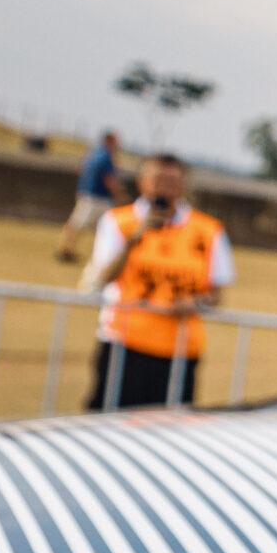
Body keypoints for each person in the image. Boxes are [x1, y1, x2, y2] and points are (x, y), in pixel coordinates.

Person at [80, 154, 231, 409]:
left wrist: (192, 303)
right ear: (142, 182)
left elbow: (217, 293)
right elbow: (103, 277)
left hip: (179, 350)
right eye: (158, 180)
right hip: (124, 342)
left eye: (172, 181)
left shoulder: (208, 230)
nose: (164, 188)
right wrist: (133, 240)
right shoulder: (119, 221)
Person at [57, 130, 126, 263]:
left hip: (86, 192)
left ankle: (67, 249)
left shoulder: (92, 152)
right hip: (97, 197)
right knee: (96, 225)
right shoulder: (106, 156)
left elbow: (81, 169)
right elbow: (109, 179)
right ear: (110, 141)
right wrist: (120, 196)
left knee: (80, 223)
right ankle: (66, 250)